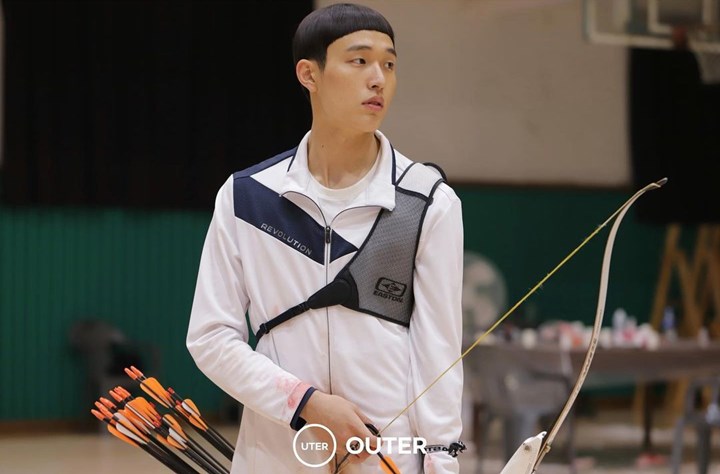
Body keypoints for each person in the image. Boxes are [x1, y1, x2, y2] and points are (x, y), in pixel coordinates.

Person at [187, 3, 464, 473]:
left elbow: (439, 355)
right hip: (276, 454)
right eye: (359, 60)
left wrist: (442, 465)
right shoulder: (247, 196)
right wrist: (305, 403)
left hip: (386, 458)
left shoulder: (429, 201)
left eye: (389, 64)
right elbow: (211, 338)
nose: (378, 79)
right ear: (309, 74)